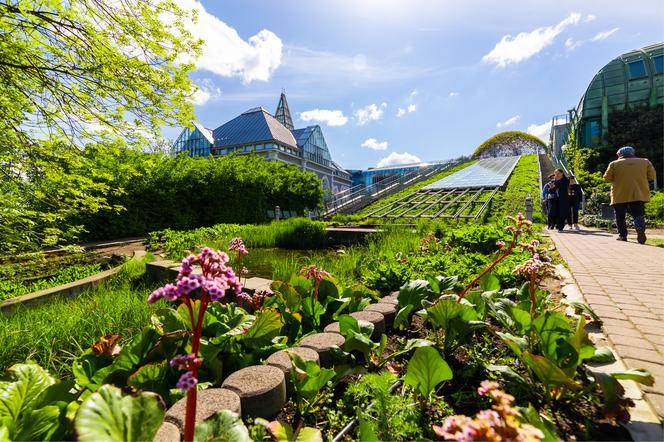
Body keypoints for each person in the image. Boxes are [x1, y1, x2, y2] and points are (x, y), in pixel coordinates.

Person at [603, 146, 657, 244]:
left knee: (620, 216)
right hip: (638, 193)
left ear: (620, 154)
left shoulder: (614, 164)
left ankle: (622, 236)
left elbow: (607, 178)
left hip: (619, 194)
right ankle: (640, 228)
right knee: (638, 214)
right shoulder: (645, 162)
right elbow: (652, 176)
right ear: (633, 153)